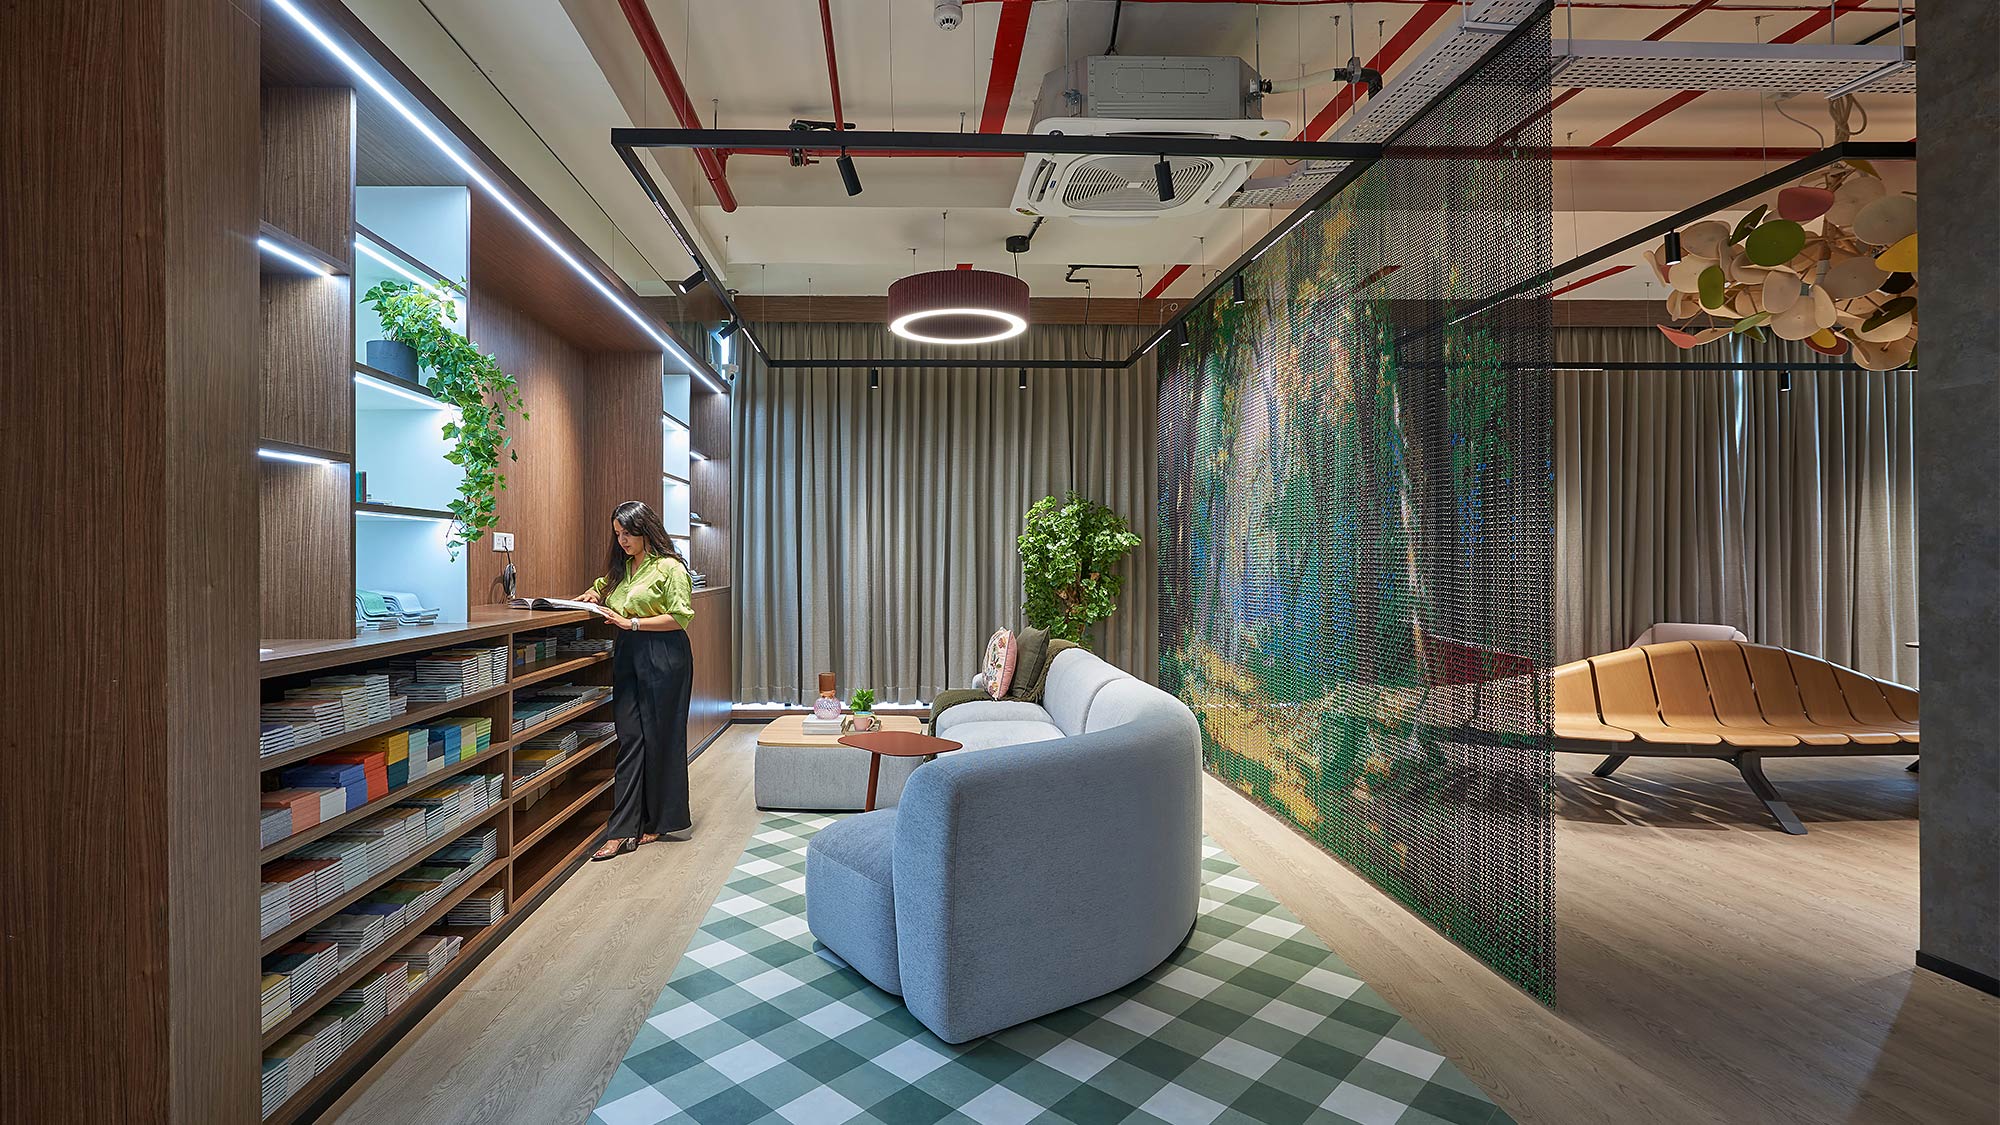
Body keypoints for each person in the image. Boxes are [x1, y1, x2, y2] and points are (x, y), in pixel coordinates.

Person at [578, 501, 695, 860]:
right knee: (630, 737)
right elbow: (604, 587)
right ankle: (623, 828)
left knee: (661, 739)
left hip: (665, 655)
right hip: (628, 654)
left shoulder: (669, 568)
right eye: (617, 534)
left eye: (628, 532)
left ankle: (657, 822)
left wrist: (631, 623)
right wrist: (595, 594)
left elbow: (680, 617)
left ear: (646, 530)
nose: (623, 539)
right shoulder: (622, 569)